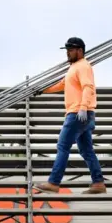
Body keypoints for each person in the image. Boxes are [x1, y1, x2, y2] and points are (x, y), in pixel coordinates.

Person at [33, 37, 106, 194]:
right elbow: (63, 84)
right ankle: (98, 183)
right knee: (86, 150)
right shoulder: (74, 67)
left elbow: (88, 87)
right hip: (82, 113)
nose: (68, 53)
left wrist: (83, 107)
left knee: (62, 145)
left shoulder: (83, 66)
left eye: (71, 50)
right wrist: (43, 90)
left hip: (77, 112)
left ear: (80, 51)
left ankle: (54, 182)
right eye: (67, 50)